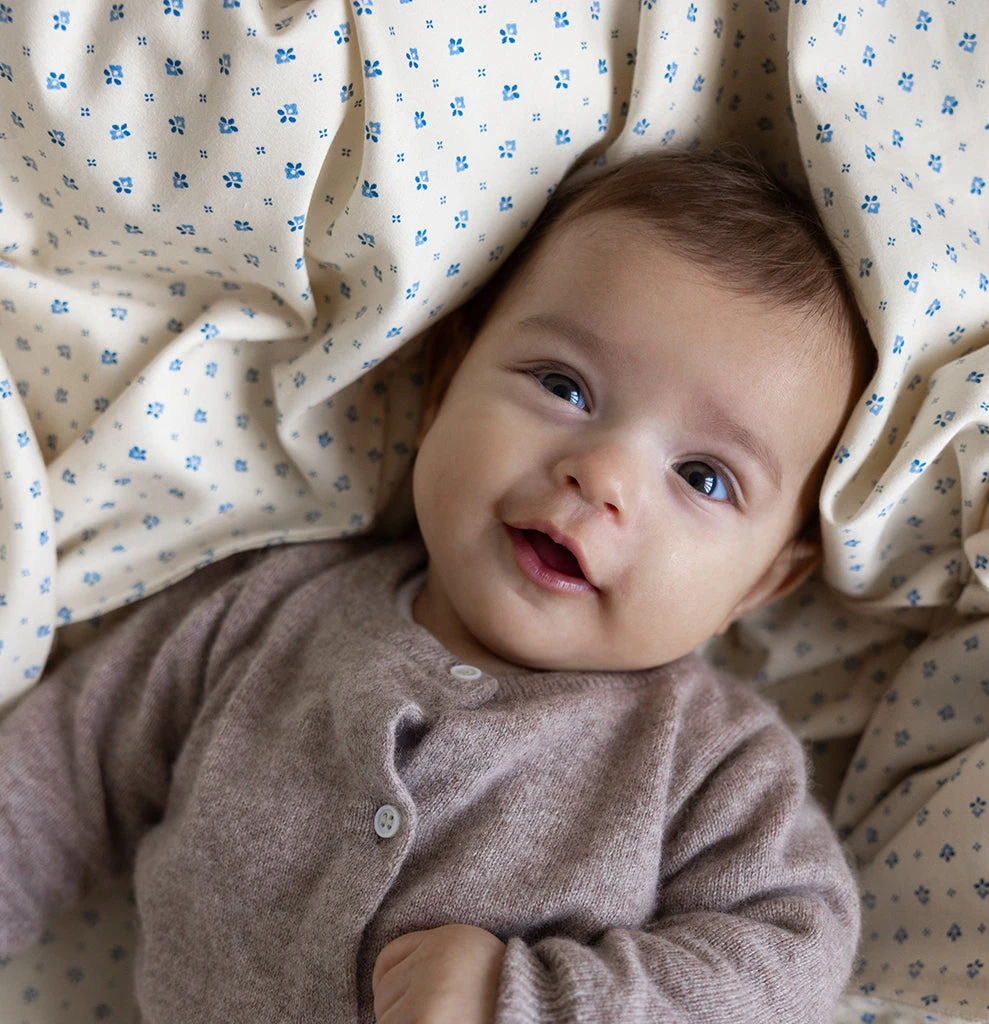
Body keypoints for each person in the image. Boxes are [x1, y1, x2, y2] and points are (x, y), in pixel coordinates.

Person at [0, 147, 873, 1024]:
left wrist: (534, 1002)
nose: (602, 474)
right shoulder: (266, 615)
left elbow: (791, 962)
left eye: (703, 477)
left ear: (760, 584)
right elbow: (55, 783)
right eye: (565, 387)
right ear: (446, 383)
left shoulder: (713, 763)